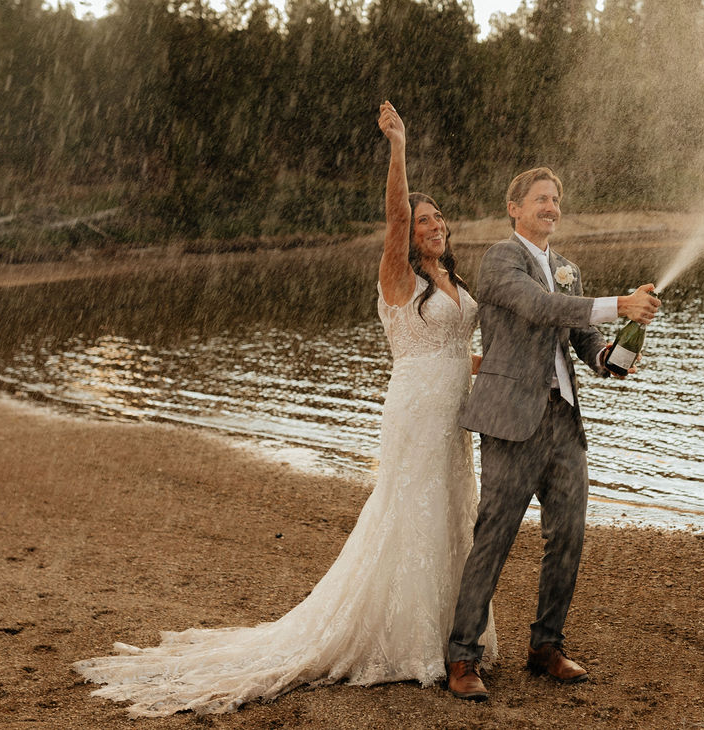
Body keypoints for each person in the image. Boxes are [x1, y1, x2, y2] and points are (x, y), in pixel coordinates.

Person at [73, 101, 496, 717]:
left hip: (452, 413)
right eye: (421, 218)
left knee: (453, 510)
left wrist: (494, 368)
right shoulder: (397, 278)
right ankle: (410, 642)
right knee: (412, 513)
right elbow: (394, 220)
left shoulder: (454, 283)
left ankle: (449, 635)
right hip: (414, 413)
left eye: (437, 218)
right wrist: (398, 148)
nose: (431, 225)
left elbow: (457, 351)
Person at [445, 167, 660, 701]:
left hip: (564, 423)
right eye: (541, 198)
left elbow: (582, 337)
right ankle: (462, 657)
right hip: (511, 422)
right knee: (493, 537)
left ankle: (546, 647)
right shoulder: (500, 259)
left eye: (556, 199)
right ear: (514, 208)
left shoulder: (568, 270)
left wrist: (611, 356)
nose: (551, 207)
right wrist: (622, 304)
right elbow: (540, 309)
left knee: (568, 536)